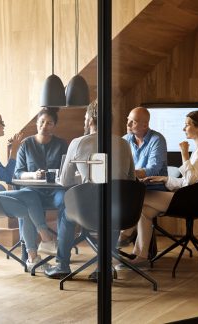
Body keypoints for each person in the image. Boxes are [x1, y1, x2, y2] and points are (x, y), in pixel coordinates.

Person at [116, 110, 198, 270]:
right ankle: (141, 256)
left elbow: (190, 179)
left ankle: (124, 235)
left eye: (187, 125)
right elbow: (187, 181)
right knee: (145, 209)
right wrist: (165, 179)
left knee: (139, 197)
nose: (183, 129)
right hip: (190, 197)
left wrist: (184, 154)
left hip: (192, 201)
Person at [44, 100, 135, 279]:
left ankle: (62, 265)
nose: (84, 122)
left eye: (85, 118)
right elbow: (130, 179)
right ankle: (104, 266)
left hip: (88, 211)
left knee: (66, 211)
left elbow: (65, 181)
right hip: (121, 210)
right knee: (114, 208)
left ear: (92, 119)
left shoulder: (78, 143)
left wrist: (84, 176)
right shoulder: (124, 144)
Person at [0, 108, 53, 271]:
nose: (4, 125)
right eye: (1, 122)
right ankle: (34, 257)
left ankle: (46, 241)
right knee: (26, 209)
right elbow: (6, 177)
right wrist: (14, 152)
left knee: (30, 194)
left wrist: (11, 153)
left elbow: (5, 173)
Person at [13, 108, 68, 268]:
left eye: (49, 123)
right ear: (37, 123)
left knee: (66, 202)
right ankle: (35, 253)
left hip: (55, 190)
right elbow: (18, 173)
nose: (45, 125)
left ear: (54, 126)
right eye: (42, 122)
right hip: (32, 190)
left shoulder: (61, 144)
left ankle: (62, 253)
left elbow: (67, 170)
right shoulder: (26, 145)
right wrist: (33, 175)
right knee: (29, 203)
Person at [118, 106, 168, 246]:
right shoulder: (124, 140)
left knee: (135, 200)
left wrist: (129, 172)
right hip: (134, 187)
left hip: (155, 188)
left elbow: (153, 169)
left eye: (133, 122)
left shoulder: (157, 139)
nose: (127, 124)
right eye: (128, 120)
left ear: (145, 124)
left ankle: (124, 234)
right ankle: (139, 254)